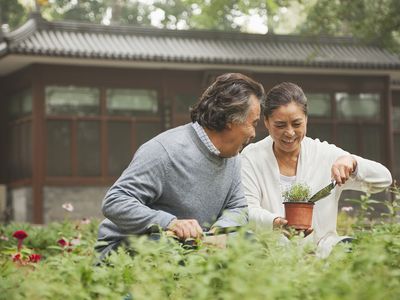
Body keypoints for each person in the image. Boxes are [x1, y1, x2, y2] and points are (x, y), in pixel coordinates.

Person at [96, 73, 265, 258]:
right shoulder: (165, 150)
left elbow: (238, 207)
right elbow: (115, 201)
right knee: (168, 246)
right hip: (126, 246)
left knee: (250, 243)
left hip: (193, 245)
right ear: (231, 120)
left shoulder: (233, 158)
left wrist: (217, 233)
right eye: (253, 123)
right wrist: (171, 223)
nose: (254, 133)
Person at [240, 82, 392, 258]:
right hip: (271, 252)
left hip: (322, 251)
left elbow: (384, 178)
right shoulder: (252, 157)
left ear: (306, 119)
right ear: (266, 122)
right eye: (280, 125)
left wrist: (353, 163)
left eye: (297, 123)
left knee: (353, 250)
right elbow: (246, 210)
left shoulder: (325, 155)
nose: (289, 133)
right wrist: (275, 223)